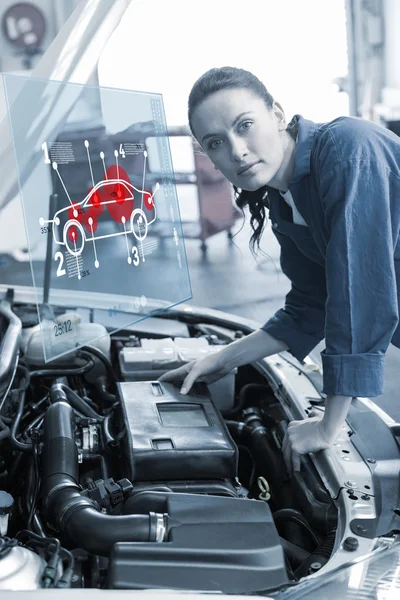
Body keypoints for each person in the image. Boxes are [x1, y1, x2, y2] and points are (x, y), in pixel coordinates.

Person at [159, 66, 400, 474]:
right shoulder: (282, 196)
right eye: (216, 143)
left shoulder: (347, 149)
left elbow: (360, 296)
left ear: (276, 114)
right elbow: (309, 307)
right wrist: (222, 360)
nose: (236, 151)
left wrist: (328, 427)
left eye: (245, 125)